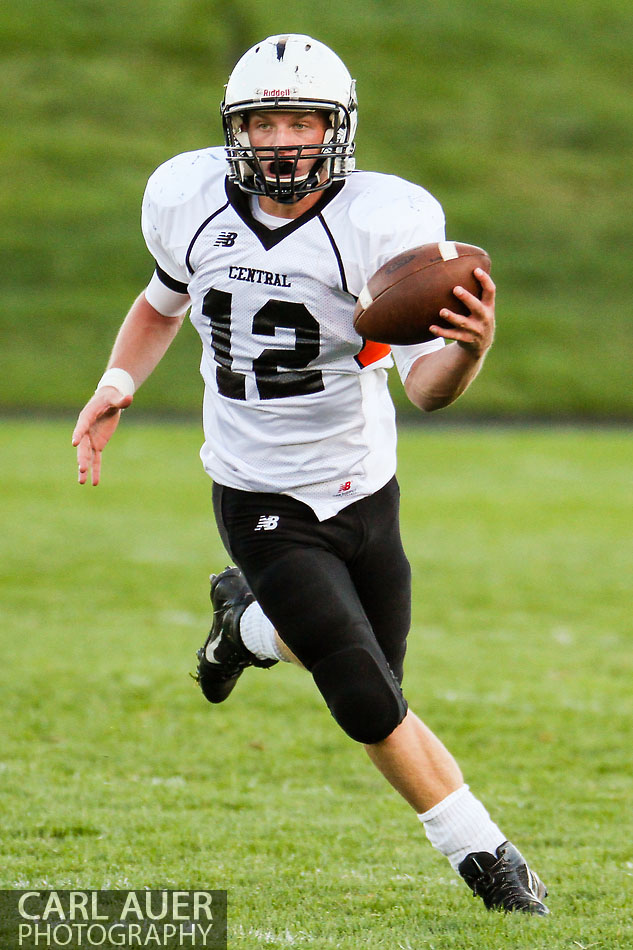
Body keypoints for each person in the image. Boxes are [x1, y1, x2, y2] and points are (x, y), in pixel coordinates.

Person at [72, 33, 549, 915]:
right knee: (364, 694)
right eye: (262, 122)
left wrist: (468, 354)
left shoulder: (380, 222)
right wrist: (115, 384)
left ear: (338, 129)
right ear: (233, 131)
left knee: (356, 662)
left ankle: (242, 627)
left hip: (363, 486)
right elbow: (159, 301)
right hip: (256, 489)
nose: (282, 140)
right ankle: (487, 860)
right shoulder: (189, 200)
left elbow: (426, 387)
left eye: (301, 120)